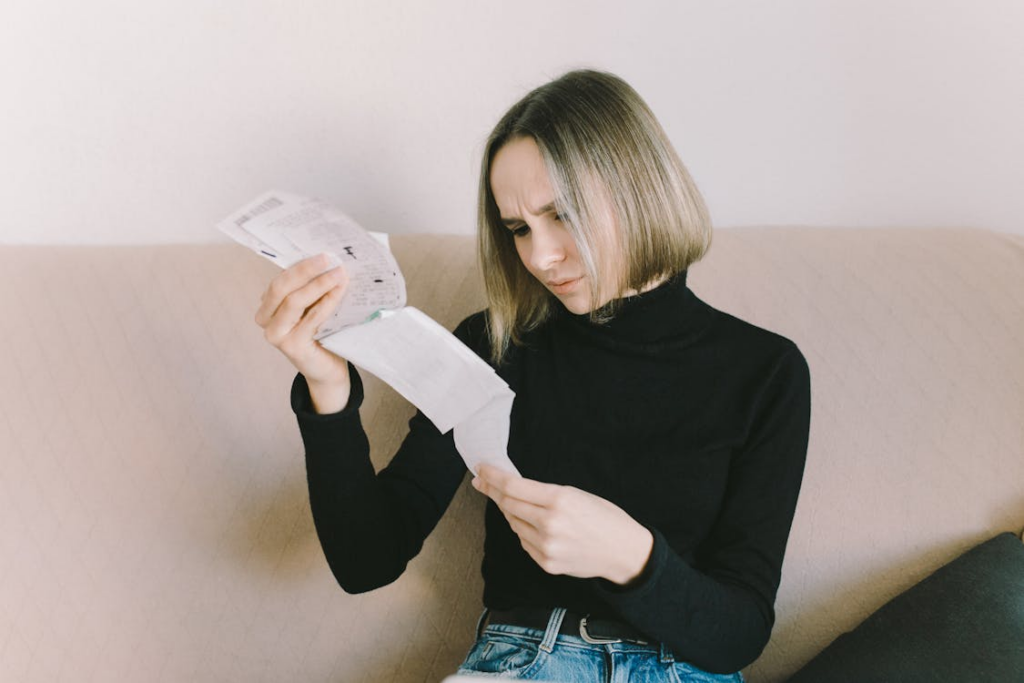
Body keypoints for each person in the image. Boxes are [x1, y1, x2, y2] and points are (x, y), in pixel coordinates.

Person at [254, 69, 811, 682]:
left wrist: (632, 557)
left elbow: (740, 634)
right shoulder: (494, 346)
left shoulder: (765, 372)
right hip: (524, 660)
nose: (541, 256)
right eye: (518, 228)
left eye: (562, 215)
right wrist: (328, 392)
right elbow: (367, 561)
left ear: (639, 191)